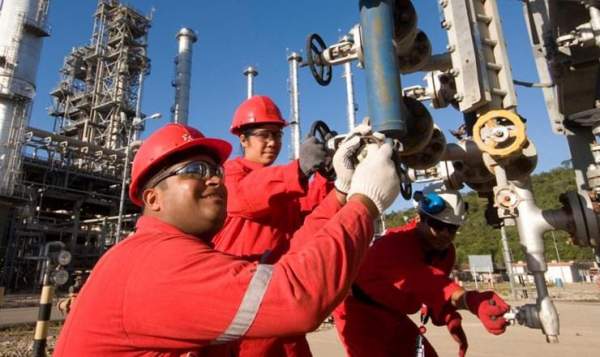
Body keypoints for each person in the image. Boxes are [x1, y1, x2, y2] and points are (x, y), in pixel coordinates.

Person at [54, 123, 401, 356]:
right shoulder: (156, 264)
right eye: (194, 170)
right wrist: (364, 202)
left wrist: (340, 192)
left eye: (215, 171)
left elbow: (290, 259)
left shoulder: (181, 252)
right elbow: (294, 296)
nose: (216, 180)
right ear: (153, 199)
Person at [212, 96, 334, 356]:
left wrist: (330, 176)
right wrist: (299, 170)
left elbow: (311, 214)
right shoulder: (230, 173)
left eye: (277, 135)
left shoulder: (285, 184)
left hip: (280, 299)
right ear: (243, 139)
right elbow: (246, 196)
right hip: (241, 304)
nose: (273, 143)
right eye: (264, 135)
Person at [333, 185, 511, 357]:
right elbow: (426, 280)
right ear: (420, 218)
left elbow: (434, 292)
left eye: (452, 228)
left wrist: (447, 313)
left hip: (395, 314)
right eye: (437, 225)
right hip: (360, 314)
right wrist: (470, 300)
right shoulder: (395, 244)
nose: (445, 234)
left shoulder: (446, 253)